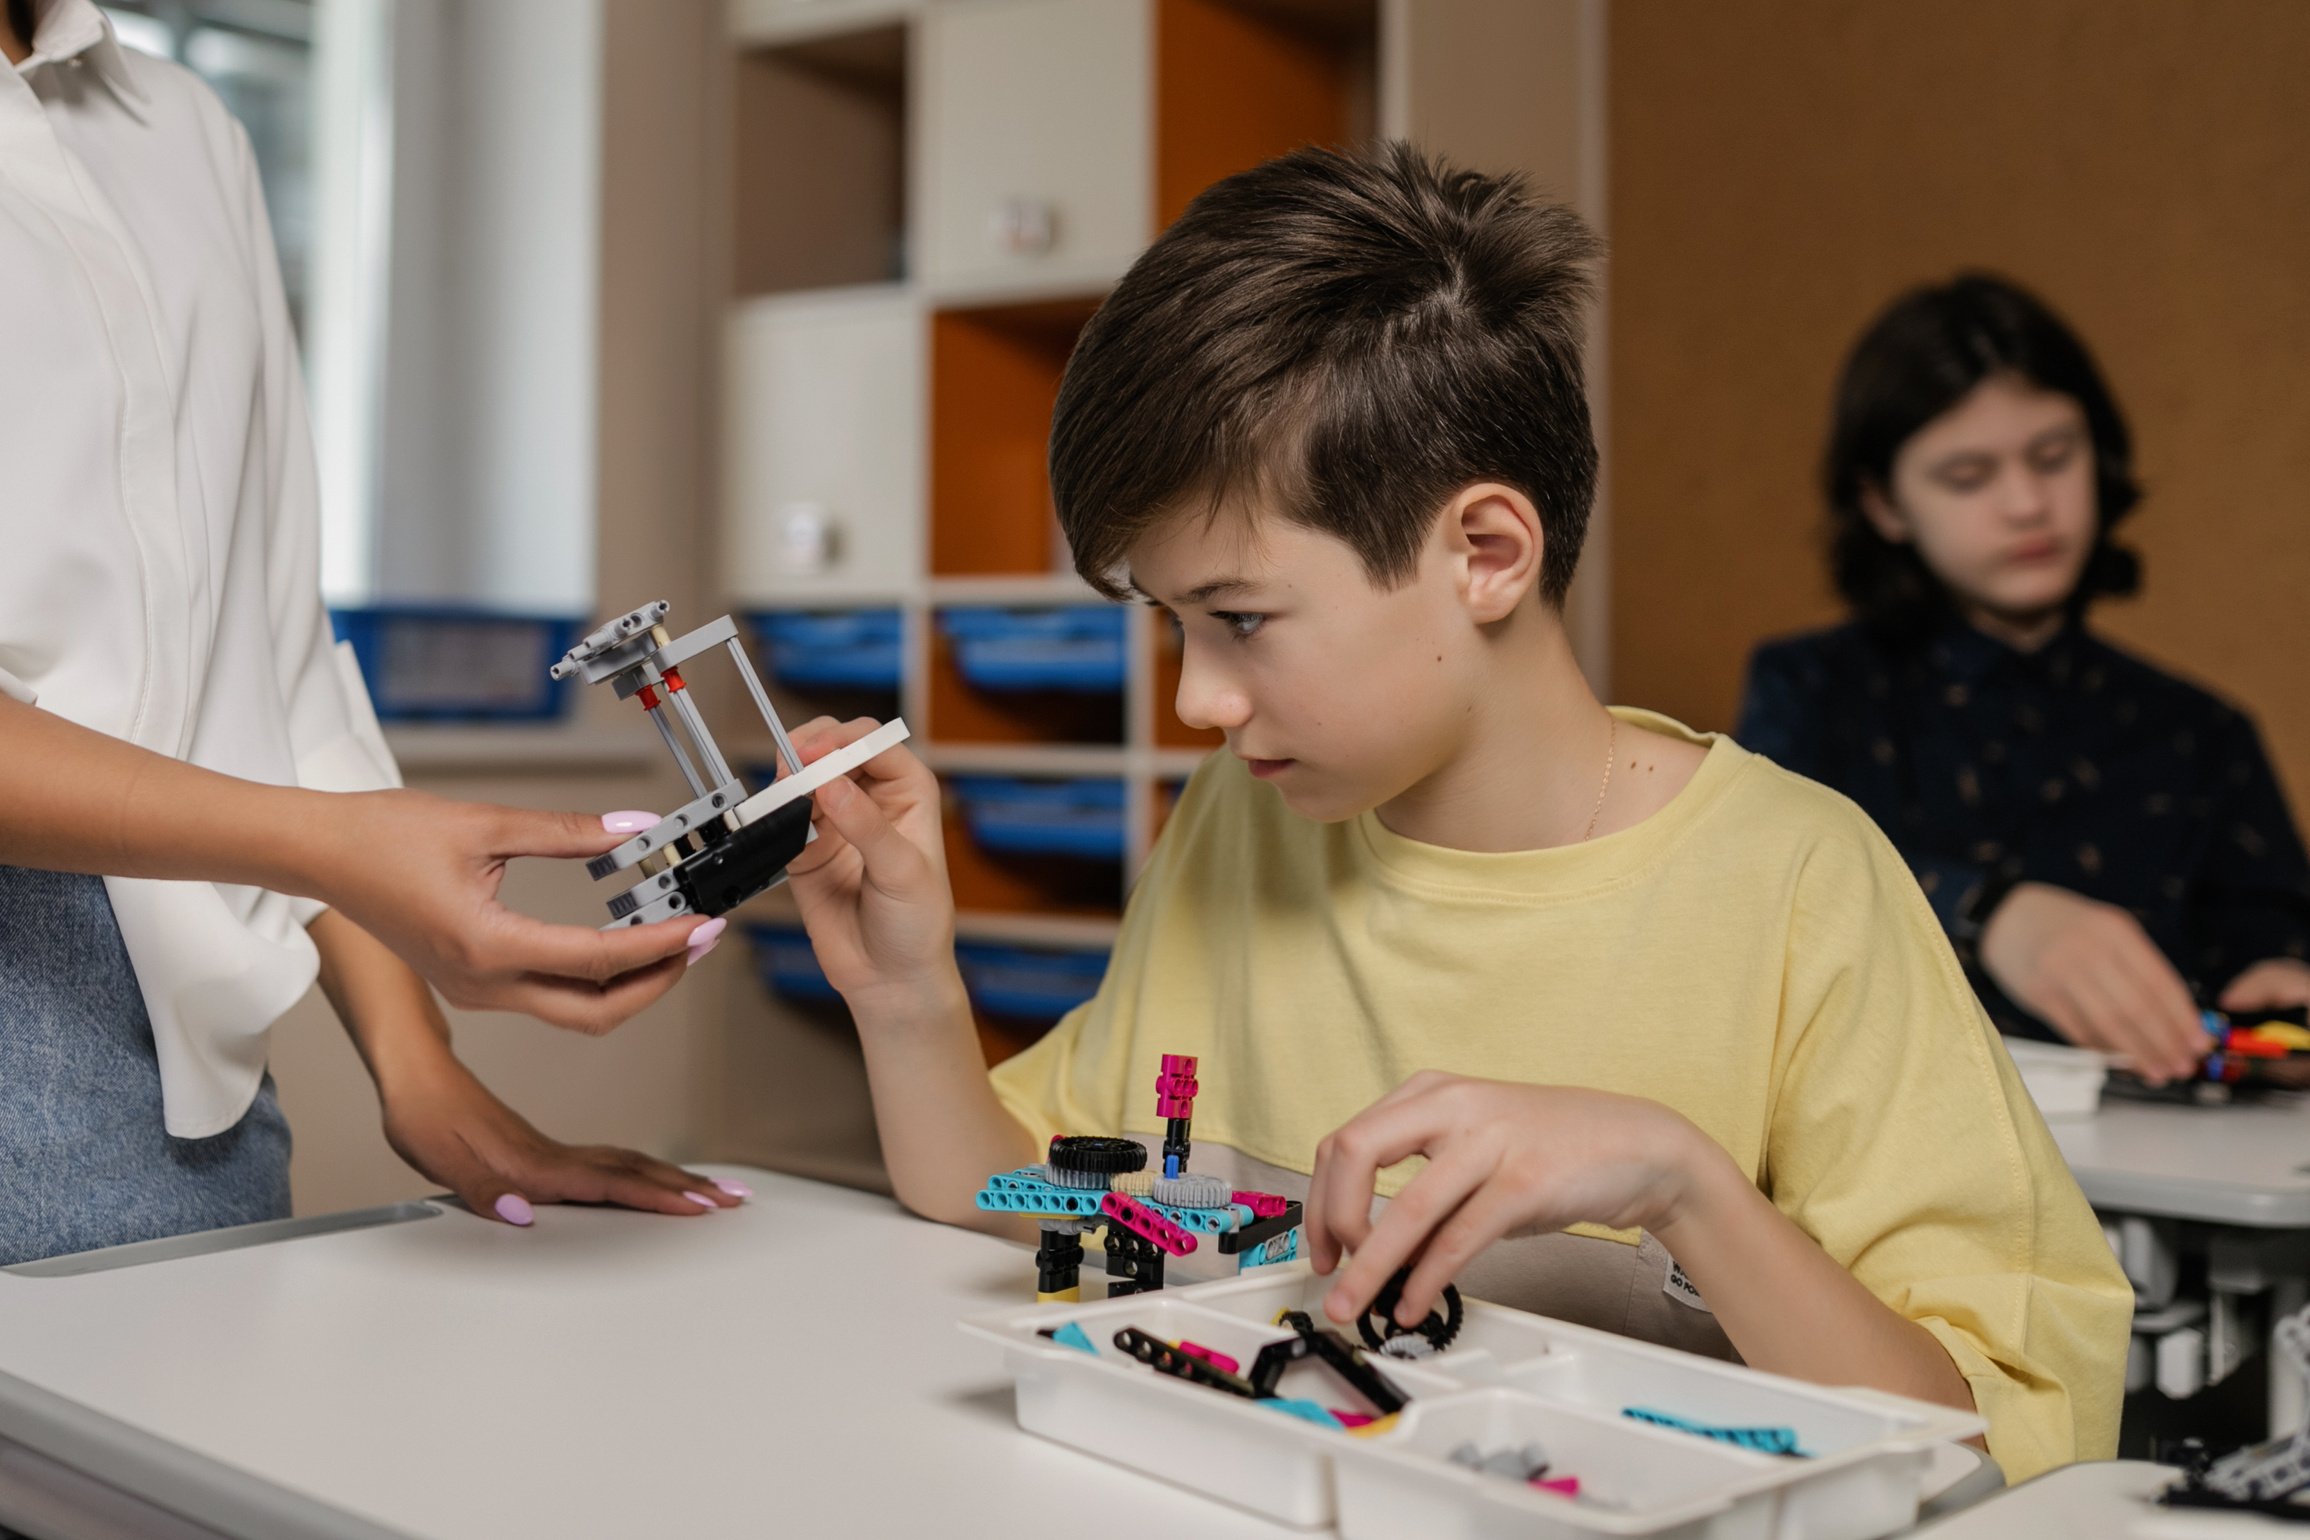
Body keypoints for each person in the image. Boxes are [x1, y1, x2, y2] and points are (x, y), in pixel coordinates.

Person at [778, 146, 2129, 1480]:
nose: (1198, 701)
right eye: (1175, 625)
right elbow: (1018, 1201)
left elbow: (1984, 1443)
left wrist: (1679, 1182)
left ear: (1483, 554)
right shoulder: (1248, 820)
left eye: (1240, 621)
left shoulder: (1797, 884)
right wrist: (907, 997)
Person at [0, 0, 734, 1267]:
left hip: (199, 1072)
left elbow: (271, 650)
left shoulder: (184, 130)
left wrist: (417, 1061)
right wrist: (337, 850)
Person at [1737, 275, 2310, 1085]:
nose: (2026, 502)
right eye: (1968, 477)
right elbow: (1755, 898)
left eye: (2053, 457)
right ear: (1883, 504)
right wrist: (1988, 913)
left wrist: (2279, 1009)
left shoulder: (2203, 733)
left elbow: (2270, 954)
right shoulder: (1812, 690)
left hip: (2163, 1185)